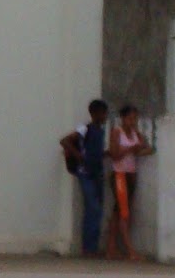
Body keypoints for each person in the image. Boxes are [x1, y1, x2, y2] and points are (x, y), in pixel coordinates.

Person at [61, 100, 110, 257]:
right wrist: (79, 156)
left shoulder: (101, 131)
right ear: (94, 113)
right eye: (102, 113)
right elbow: (65, 141)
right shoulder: (85, 128)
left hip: (97, 172)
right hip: (86, 173)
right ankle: (88, 248)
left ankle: (92, 247)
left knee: (96, 210)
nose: (105, 116)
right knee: (93, 208)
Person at [106, 104, 155, 262]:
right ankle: (130, 250)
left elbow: (146, 148)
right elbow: (114, 154)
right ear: (123, 118)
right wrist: (130, 149)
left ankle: (111, 248)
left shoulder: (135, 134)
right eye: (130, 118)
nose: (133, 122)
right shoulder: (117, 132)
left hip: (131, 174)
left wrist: (139, 149)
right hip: (119, 174)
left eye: (135, 119)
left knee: (118, 211)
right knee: (124, 212)